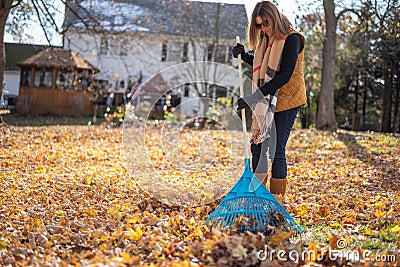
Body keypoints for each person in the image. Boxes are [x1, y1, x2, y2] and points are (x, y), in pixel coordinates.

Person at [232, 0, 306, 200]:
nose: (263, 28)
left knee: (276, 150)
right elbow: (262, 66)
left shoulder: (292, 39)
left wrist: (252, 98)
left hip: (288, 101)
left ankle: (277, 201)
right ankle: (257, 196)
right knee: (257, 147)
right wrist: (244, 55)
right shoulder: (266, 42)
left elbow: (282, 76)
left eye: (266, 22)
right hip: (268, 100)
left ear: (274, 17)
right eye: (259, 25)